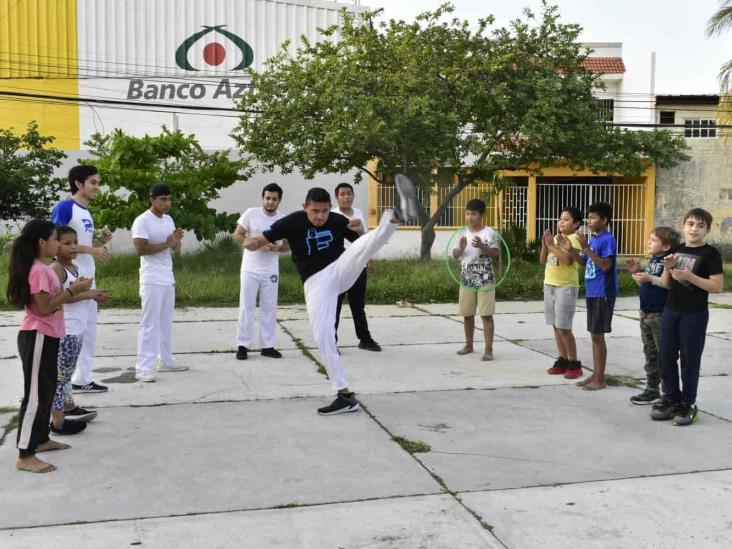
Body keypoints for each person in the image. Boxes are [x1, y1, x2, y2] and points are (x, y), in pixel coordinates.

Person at [243, 175, 419, 415]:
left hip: (339, 269)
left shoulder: (337, 220)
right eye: (315, 211)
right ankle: (344, 394)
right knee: (323, 336)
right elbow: (260, 240)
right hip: (316, 283)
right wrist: (250, 243)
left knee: (360, 248)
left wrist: (358, 230)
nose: (320, 217)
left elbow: (360, 243)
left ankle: (395, 216)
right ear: (305, 207)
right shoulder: (291, 222)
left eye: (324, 211)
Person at [6, 220, 91, 473]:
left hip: (49, 335)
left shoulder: (42, 268)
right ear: (42, 243)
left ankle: (41, 439)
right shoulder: (39, 271)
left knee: (47, 390)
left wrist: (76, 290)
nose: (57, 243)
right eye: (55, 239)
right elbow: (44, 307)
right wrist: (73, 290)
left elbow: (52, 301)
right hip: (38, 336)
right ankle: (25, 453)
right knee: (34, 396)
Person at [651, 208, 724, 425]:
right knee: (665, 357)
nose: (694, 229)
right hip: (671, 311)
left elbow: (717, 286)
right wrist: (667, 268)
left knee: (690, 360)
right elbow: (665, 283)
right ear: (683, 225)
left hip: (694, 314)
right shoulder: (676, 249)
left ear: (707, 230)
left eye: (700, 226)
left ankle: (688, 404)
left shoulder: (711, 254)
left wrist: (690, 276)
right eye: (691, 224)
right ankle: (671, 398)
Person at [51, 165, 112, 394]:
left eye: (98, 182)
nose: (97, 187)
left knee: (89, 329)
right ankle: (62, 384)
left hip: (87, 275)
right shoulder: (65, 208)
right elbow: (57, 242)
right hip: (70, 276)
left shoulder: (86, 211)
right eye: (93, 182)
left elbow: (77, 243)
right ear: (78, 183)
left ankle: (82, 377)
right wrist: (92, 250)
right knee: (72, 330)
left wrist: (99, 242)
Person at [50, 226, 108, 435]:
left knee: (67, 373)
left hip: (78, 327)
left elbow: (76, 293)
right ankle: (57, 422)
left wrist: (91, 294)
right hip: (66, 329)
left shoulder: (73, 267)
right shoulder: (56, 268)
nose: (73, 246)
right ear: (55, 246)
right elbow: (59, 299)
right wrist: (87, 293)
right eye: (67, 243)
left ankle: (68, 407)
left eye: (75, 242)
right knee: (61, 377)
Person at [131, 184, 186, 382]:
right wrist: (168, 243)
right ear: (152, 199)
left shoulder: (169, 219)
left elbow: (175, 250)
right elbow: (141, 249)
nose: (167, 203)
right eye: (163, 199)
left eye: (169, 199)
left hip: (167, 277)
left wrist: (177, 240)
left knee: (165, 322)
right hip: (151, 279)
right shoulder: (142, 221)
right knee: (149, 324)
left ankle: (166, 360)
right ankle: (143, 367)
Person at [566, 202, 619, 391]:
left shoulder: (607, 239)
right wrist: (572, 250)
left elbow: (605, 266)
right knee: (594, 335)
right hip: (592, 292)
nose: (589, 220)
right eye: (588, 217)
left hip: (603, 292)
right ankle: (596, 374)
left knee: (598, 336)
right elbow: (584, 263)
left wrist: (586, 247)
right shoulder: (594, 239)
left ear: (604, 220)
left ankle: (601, 377)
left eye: (593, 217)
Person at [625, 226, 680, 405]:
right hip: (646, 313)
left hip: (659, 314)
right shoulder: (653, 260)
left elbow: (666, 285)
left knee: (663, 354)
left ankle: (668, 392)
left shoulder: (668, 261)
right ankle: (651, 388)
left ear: (666, 246)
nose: (649, 242)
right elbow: (647, 285)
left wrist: (649, 278)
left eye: (653, 240)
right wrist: (635, 273)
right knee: (650, 353)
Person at [233, 183, 288, 360]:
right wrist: (249, 242)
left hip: (271, 269)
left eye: (274, 199)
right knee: (246, 307)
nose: (270, 202)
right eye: (267, 198)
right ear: (263, 198)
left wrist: (277, 248)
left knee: (269, 308)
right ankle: (243, 345)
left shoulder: (283, 219)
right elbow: (238, 235)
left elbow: (287, 245)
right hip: (250, 268)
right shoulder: (251, 213)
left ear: (279, 200)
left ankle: (267, 346)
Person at [332, 182, 381, 352]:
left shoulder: (358, 213)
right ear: (337, 197)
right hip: (339, 266)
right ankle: (331, 341)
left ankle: (364, 338)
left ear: (353, 195)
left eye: (349, 193)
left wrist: (369, 259)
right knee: (335, 305)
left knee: (358, 304)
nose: (346, 197)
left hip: (358, 265)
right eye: (342, 194)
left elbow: (364, 239)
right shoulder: (333, 216)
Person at [452, 199, 500, 361]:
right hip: (467, 278)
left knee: (486, 315)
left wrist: (482, 246)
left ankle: (488, 350)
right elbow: (455, 255)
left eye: (473, 214)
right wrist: (461, 248)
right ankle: (469, 345)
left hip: (485, 278)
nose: (469, 217)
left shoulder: (489, 233)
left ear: (481, 215)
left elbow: (495, 254)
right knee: (467, 314)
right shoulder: (462, 233)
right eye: (467, 214)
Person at [541, 207, 584, 379]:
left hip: (565, 287)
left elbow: (567, 260)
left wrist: (552, 245)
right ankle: (563, 358)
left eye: (566, 219)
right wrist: (545, 245)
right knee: (555, 325)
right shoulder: (556, 239)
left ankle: (574, 362)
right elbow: (543, 260)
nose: (561, 222)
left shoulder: (574, 239)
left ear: (576, 224)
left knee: (564, 327)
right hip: (549, 284)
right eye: (560, 218)